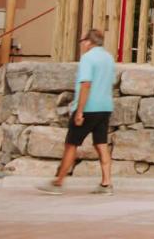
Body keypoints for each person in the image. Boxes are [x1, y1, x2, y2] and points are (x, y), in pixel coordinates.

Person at [38, 29, 117, 195]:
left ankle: (58, 182)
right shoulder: (108, 58)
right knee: (101, 144)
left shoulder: (88, 58)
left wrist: (79, 111)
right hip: (105, 107)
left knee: (71, 144)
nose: (81, 44)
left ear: (89, 41)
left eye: (82, 41)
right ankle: (106, 183)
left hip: (89, 107)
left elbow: (86, 84)